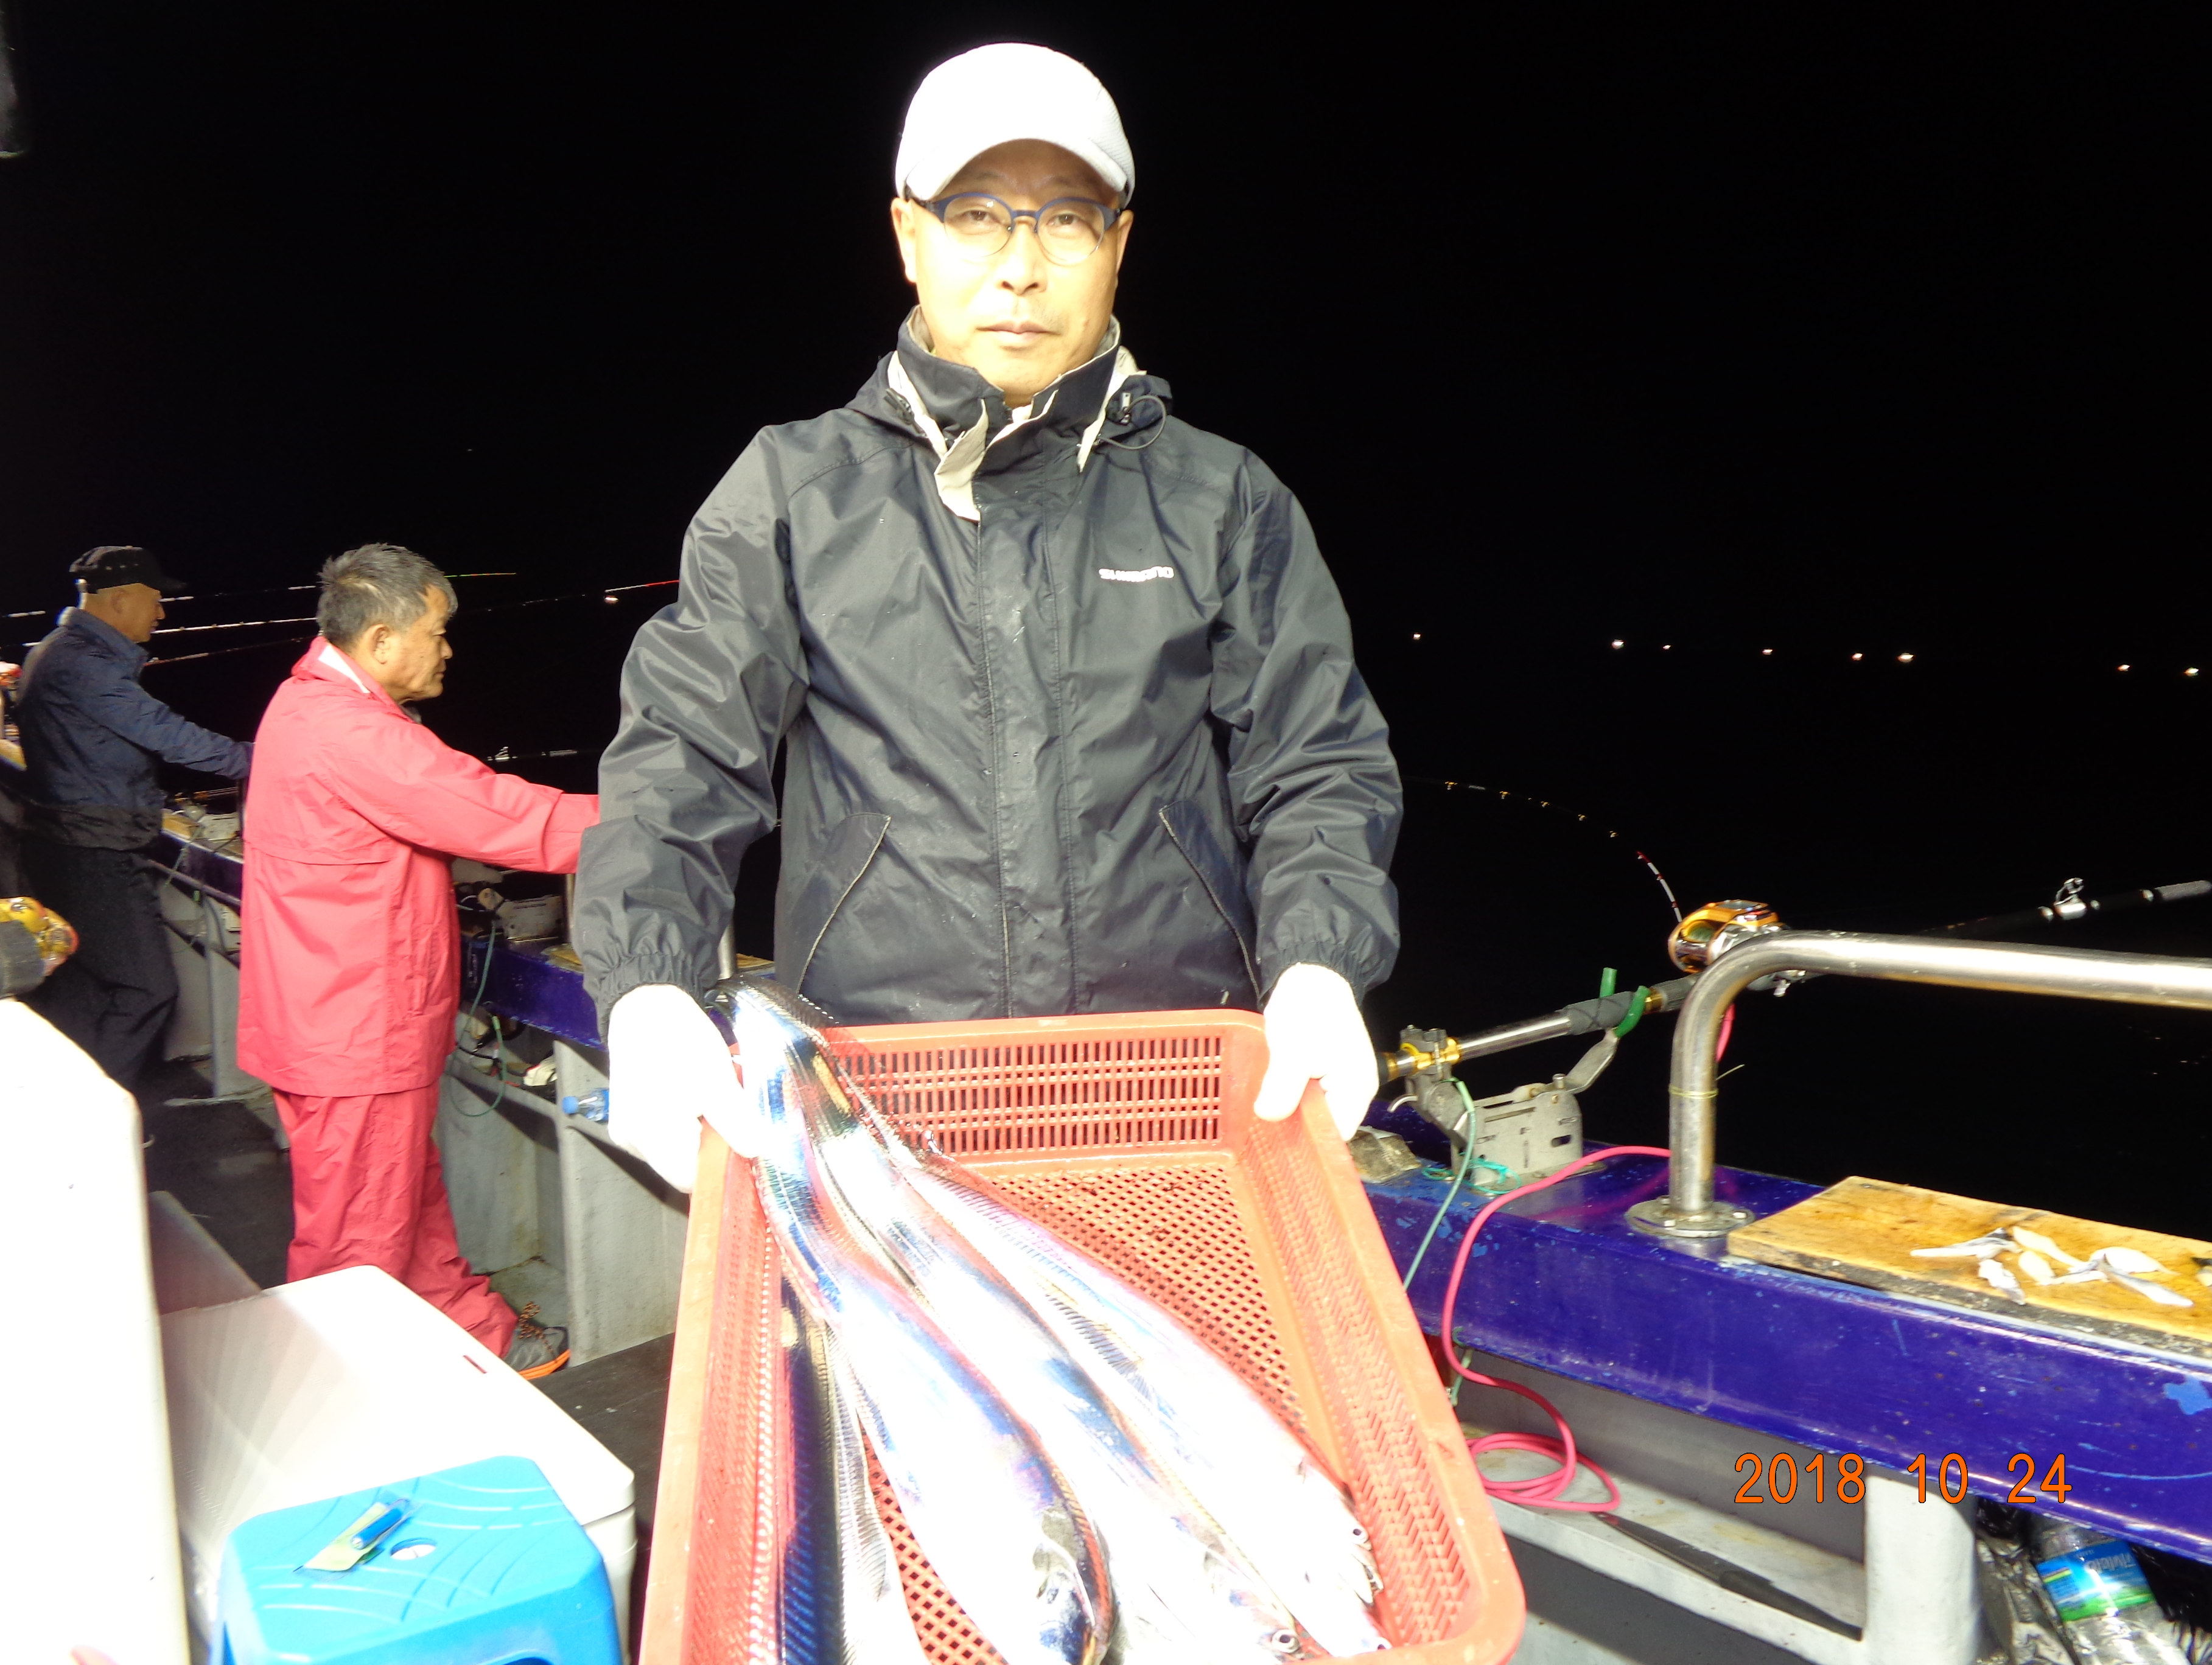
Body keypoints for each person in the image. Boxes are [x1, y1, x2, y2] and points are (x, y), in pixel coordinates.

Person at [575, 44, 1401, 1189]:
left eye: (1065, 219)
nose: (1019, 267)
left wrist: (1318, 962)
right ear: (908, 236)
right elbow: (681, 757)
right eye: (974, 215)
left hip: (1171, 1094)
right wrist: (649, 983)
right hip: (874, 1101)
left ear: (1118, 244)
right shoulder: (790, 492)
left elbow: (1318, 763)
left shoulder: (1225, 499)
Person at [237, 543, 597, 1375]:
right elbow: (495, 814)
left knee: (405, 1193)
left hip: (336, 1014)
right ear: (382, 641)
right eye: (436, 632)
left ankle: (475, 1328)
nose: (448, 649)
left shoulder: (306, 702)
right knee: (354, 1243)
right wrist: (646, 821)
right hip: (353, 1026)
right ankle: (341, 1397)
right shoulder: (349, 730)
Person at [12, 545, 253, 1092]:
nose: (162, 613)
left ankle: (63, 1104)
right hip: (92, 853)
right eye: (156, 600)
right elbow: (172, 737)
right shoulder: (86, 665)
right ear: (120, 600)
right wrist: (269, 757)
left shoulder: (52, 651)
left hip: (63, 844)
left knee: (84, 991)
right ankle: (94, 1116)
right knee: (147, 990)